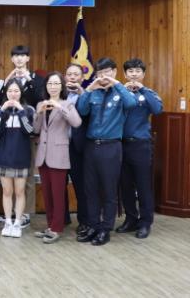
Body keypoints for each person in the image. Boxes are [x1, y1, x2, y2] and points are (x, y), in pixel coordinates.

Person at [76, 57, 137, 246]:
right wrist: (89, 88)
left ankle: (105, 229)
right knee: (90, 190)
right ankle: (93, 226)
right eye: (100, 73)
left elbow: (131, 103)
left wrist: (116, 84)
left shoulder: (121, 92)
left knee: (109, 191)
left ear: (114, 72)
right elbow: (81, 110)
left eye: (107, 72)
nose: (103, 76)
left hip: (111, 147)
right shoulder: (94, 92)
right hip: (91, 146)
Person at [116, 58, 162, 239]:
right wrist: (122, 90)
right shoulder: (119, 92)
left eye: (137, 71)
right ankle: (131, 219)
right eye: (130, 71)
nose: (134, 74)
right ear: (125, 74)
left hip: (140, 145)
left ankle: (145, 223)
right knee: (125, 185)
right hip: (120, 144)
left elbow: (157, 109)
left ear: (143, 74)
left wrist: (142, 89)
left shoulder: (148, 93)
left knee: (143, 186)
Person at [33, 72, 82, 243]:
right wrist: (39, 113)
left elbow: (76, 122)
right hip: (43, 155)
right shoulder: (41, 103)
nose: (52, 87)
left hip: (59, 155)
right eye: (50, 84)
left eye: (56, 83)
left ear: (62, 86)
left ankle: (57, 228)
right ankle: (50, 225)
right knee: (47, 194)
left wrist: (59, 107)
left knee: (58, 194)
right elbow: (36, 129)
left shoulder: (67, 104)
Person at [2, 45, 45, 228]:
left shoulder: (37, 78)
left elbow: (40, 97)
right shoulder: (8, 78)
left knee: (27, 175)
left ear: (28, 58)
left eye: (23, 56)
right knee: (9, 177)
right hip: (9, 133)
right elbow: (0, 100)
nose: (19, 59)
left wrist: (28, 79)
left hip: (28, 132)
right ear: (12, 59)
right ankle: (11, 213)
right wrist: (8, 80)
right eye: (16, 56)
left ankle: (26, 213)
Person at [0, 79, 35, 238]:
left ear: (21, 93)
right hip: (4, 155)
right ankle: (8, 222)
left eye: (16, 91)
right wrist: (2, 111)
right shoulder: (0, 109)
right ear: (6, 93)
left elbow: (29, 130)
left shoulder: (28, 110)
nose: (13, 94)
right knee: (7, 191)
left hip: (21, 156)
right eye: (10, 91)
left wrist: (21, 111)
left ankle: (17, 222)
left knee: (19, 191)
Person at [64, 63, 89, 235]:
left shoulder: (87, 95)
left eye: (76, 74)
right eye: (69, 74)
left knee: (80, 185)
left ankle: (84, 221)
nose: (72, 77)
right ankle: (62, 218)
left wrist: (82, 93)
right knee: (59, 185)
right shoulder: (59, 94)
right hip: (59, 146)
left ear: (82, 77)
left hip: (77, 147)